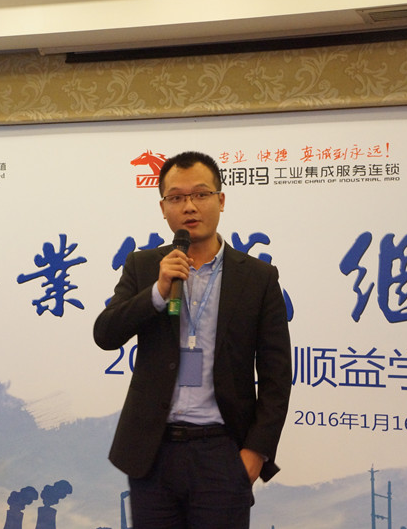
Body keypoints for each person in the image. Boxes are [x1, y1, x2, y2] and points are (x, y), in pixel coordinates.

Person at [93, 150, 291, 528]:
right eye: (176, 197)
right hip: (153, 451)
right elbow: (105, 334)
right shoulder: (144, 266)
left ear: (221, 200)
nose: (189, 206)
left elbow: (277, 375)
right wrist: (157, 291)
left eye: (200, 194)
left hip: (222, 451)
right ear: (163, 208)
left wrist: (255, 452)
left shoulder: (258, 278)